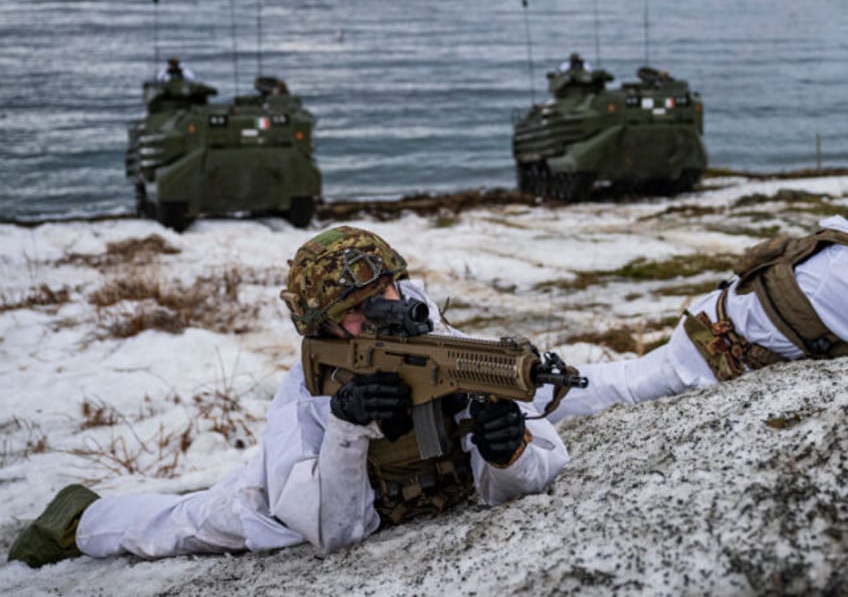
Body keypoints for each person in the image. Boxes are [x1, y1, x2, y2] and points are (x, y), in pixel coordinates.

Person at [8, 226, 569, 568]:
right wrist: (346, 426)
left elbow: (538, 467)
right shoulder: (306, 390)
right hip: (280, 501)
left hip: (402, 495)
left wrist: (509, 453)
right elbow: (333, 532)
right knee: (173, 526)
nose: (379, 312)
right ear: (323, 329)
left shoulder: (453, 353)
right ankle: (76, 519)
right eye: (355, 311)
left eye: (385, 294)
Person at [537, 214, 848, 420]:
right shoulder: (839, 271)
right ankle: (532, 401)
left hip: (715, 317)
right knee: (625, 389)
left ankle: (538, 392)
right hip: (710, 356)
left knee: (625, 380)